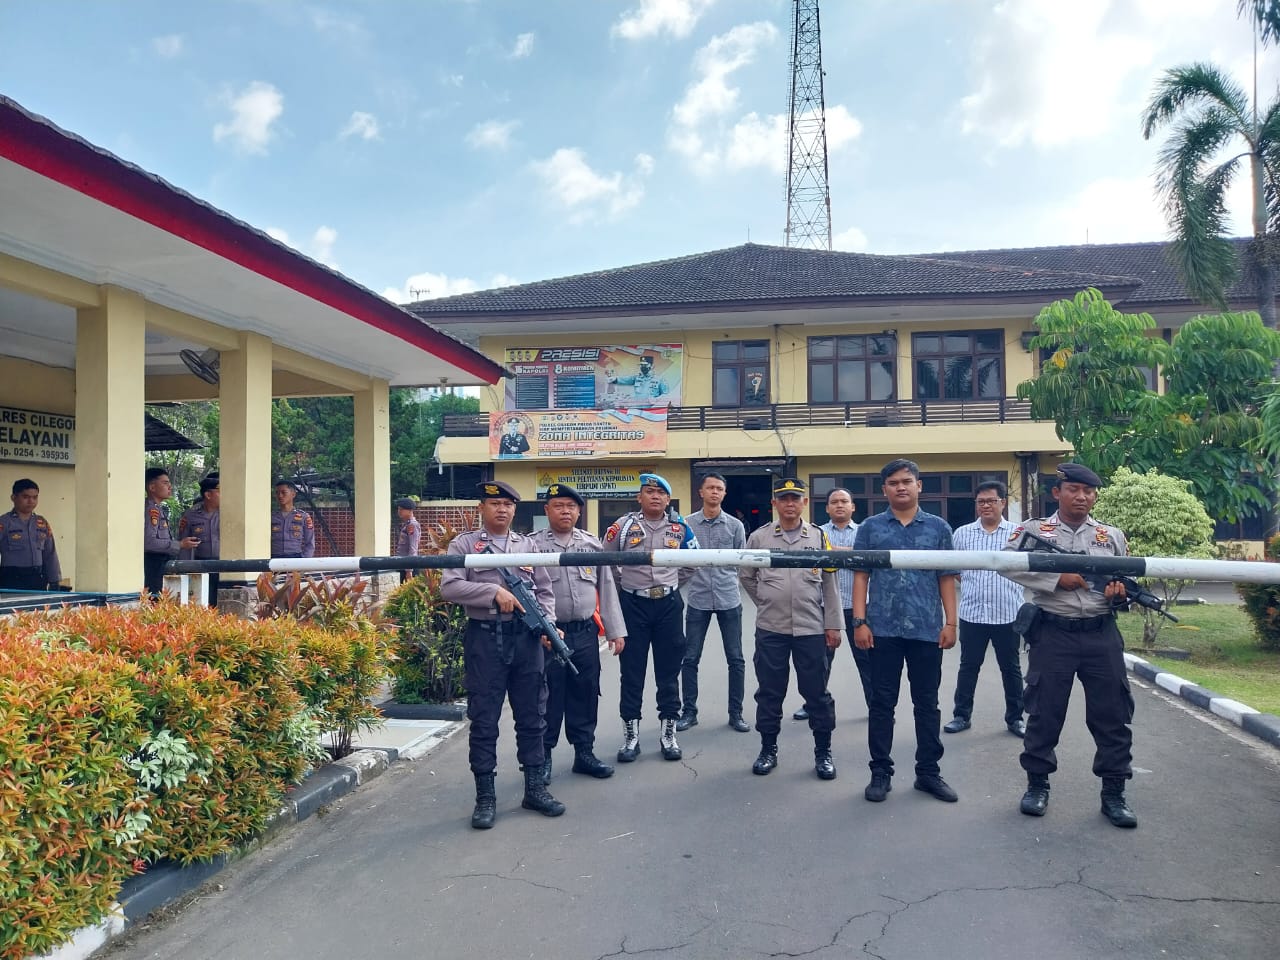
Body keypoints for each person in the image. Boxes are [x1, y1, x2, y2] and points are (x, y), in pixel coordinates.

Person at [1002, 463, 1138, 828]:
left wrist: (1119, 593)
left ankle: (1114, 793)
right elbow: (1006, 563)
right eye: (1074, 490)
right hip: (1053, 632)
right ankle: (1037, 786)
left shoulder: (1111, 536)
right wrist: (1054, 578)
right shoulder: (1034, 530)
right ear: (1057, 493)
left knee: (1112, 715)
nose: (1081, 497)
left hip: (1101, 632)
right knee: (1044, 712)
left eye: (1088, 492)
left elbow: (1124, 581)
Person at [440, 481, 565, 829]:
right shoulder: (465, 544)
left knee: (533, 715)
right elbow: (450, 586)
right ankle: (486, 797)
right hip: (485, 638)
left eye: (508, 504)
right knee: (484, 719)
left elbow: (545, 590)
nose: (502, 509)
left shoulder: (528, 546)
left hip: (526, 639)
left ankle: (535, 789)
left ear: (514, 509)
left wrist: (549, 626)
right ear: (482, 508)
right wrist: (492, 591)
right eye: (495, 504)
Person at [852, 459, 960, 804]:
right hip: (882, 629)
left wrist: (951, 622)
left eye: (907, 481)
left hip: (927, 630)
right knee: (882, 703)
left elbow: (946, 577)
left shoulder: (938, 528)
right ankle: (880, 772)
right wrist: (859, 621)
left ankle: (928, 772)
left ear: (919, 486)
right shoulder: (870, 528)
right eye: (894, 482)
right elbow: (861, 576)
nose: (901, 487)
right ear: (884, 489)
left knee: (927, 703)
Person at [740, 478, 843, 780]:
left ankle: (823, 752)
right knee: (769, 693)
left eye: (795, 498)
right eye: (783, 498)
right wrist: (766, 600)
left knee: (817, 693)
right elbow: (746, 575)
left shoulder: (818, 536)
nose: (789, 503)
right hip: (771, 628)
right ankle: (768, 749)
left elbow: (829, 582)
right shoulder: (759, 537)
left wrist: (833, 624)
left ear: (804, 503)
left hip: (811, 627)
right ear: (774, 503)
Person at [530, 482, 627, 783]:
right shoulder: (532, 546)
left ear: (579, 511)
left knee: (585, 693)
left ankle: (584, 753)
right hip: (548, 637)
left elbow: (606, 588)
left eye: (571, 507)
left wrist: (615, 631)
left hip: (585, 633)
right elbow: (528, 593)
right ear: (547, 510)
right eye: (558, 506)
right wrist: (540, 629)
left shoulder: (591, 545)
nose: (565, 511)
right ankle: (543, 758)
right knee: (547, 697)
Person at [601, 472, 698, 764]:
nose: (655, 497)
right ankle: (631, 737)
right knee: (632, 673)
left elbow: (693, 563)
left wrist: (670, 585)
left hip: (668, 605)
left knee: (668, 673)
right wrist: (625, 588)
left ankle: (669, 734)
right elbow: (606, 563)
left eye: (661, 493)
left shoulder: (681, 528)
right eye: (649, 492)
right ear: (639, 497)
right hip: (633, 605)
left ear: (668, 499)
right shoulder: (622, 527)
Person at [943, 480, 1026, 737]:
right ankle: (961, 715)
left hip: (1008, 613)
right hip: (973, 614)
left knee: (1011, 668)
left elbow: (1027, 569)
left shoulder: (1018, 533)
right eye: (981, 502)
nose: (986, 505)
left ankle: (1015, 718)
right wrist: (973, 582)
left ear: (1003, 503)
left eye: (991, 501)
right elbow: (955, 569)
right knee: (968, 667)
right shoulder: (962, 534)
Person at [678, 472, 750, 733]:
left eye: (719, 488)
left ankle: (736, 713)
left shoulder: (735, 526)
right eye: (710, 488)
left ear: (724, 493)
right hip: (697, 598)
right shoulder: (686, 524)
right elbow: (679, 559)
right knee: (690, 658)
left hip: (728, 597)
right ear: (701, 492)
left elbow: (741, 561)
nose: (715, 492)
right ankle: (689, 712)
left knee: (736, 658)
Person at [803, 487, 872, 720]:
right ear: (827, 508)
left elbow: (867, 560)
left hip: (859, 607)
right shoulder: (816, 533)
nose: (839, 505)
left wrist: (832, 553)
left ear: (853, 506)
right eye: (834, 502)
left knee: (867, 660)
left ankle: (876, 707)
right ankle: (813, 705)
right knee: (819, 661)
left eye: (844, 501)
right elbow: (813, 563)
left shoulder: (864, 532)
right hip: (824, 606)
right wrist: (852, 555)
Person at [144, 467, 200, 598]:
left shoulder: (158, 509)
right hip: (153, 564)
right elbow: (148, 542)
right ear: (152, 487)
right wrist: (179, 544)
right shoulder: (151, 510)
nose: (170, 486)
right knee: (155, 601)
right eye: (165, 483)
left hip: (161, 565)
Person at [0, 479, 62, 591]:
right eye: (26, 497)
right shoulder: (4, 523)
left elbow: (50, 554)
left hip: (37, 579)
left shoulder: (41, 523)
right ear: (13, 498)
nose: (31, 501)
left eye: (35, 497)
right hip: (11, 579)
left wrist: (54, 580)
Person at [178, 474, 221, 607]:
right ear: (208, 495)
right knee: (202, 603)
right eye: (220, 492)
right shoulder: (190, 515)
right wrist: (184, 570)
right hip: (200, 566)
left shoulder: (228, 513)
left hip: (224, 565)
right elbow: (184, 545)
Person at [271, 479, 315, 559]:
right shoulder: (271, 516)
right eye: (277, 493)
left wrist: (304, 561)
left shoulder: (303, 516)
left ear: (293, 494)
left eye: (284, 492)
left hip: (295, 558)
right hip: (274, 558)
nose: (280, 496)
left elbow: (310, 543)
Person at [395, 497, 421, 583]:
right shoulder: (407, 524)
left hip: (408, 566)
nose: (399, 511)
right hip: (403, 564)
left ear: (410, 511)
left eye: (402, 509)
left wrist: (409, 570)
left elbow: (413, 548)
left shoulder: (412, 525)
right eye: (398, 509)